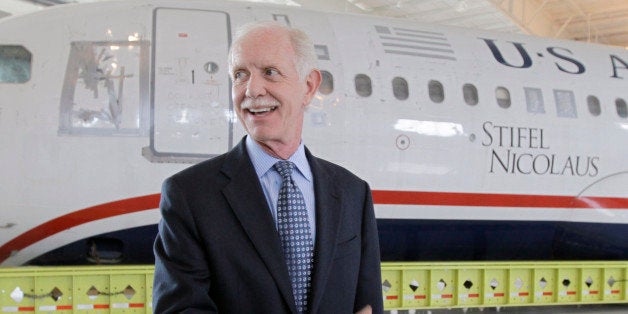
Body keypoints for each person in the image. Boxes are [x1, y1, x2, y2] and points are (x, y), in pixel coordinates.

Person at [153, 21, 383, 314]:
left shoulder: (353, 192)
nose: (252, 89)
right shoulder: (190, 195)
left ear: (309, 86)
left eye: (270, 73)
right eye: (240, 75)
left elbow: (367, 305)